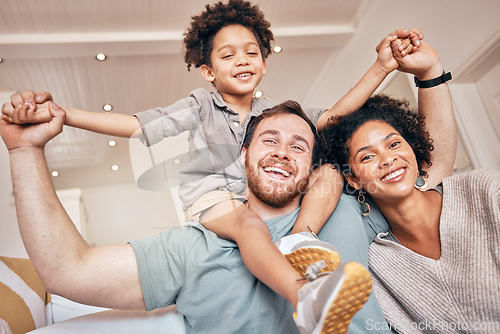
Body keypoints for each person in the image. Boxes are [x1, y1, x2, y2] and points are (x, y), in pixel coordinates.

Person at [0, 0, 423, 307]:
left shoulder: (274, 112)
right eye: (228, 55)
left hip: (265, 204)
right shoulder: (198, 107)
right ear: (208, 71)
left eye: (251, 52)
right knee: (248, 228)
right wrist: (63, 114)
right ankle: (302, 295)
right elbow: (135, 125)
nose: (242, 60)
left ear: (264, 61)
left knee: (329, 171)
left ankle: (301, 238)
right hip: (214, 197)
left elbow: (332, 116)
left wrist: (383, 68)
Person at [2, 100, 387, 333]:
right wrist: (24, 151)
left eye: (298, 146)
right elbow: (69, 270)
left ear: (312, 164)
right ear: (243, 155)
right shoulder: (194, 246)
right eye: (270, 140)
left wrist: (430, 74)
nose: (283, 152)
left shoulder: (348, 207)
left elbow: (436, 188)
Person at [321, 98, 500, 331]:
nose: (387, 159)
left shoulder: (484, 190)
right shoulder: (377, 263)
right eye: (368, 156)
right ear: (353, 180)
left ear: (413, 150)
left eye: (394, 144)